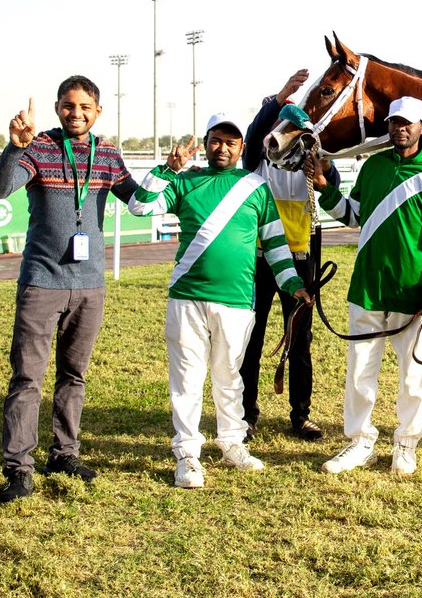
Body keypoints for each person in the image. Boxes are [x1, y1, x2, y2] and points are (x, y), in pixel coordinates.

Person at [126, 113, 312, 489]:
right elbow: (139, 207)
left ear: (241, 148)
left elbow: (275, 243)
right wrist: (165, 169)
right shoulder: (184, 181)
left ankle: (232, 442)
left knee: (230, 378)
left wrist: (292, 283)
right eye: (216, 140)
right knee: (187, 380)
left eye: (231, 142)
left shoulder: (256, 186)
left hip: (238, 300)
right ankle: (188, 455)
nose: (222, 147)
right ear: (206, 141)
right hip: (187, 297)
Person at [0, 75, 136, 504]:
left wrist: (171, 171)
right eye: (69, 106)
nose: (77, 114)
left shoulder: (107, 154)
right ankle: (19, 469)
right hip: (41, 282)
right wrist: (15, 145)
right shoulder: (39, 147)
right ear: (58, 108)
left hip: (90, 285)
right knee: (27, 378)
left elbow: (139, 199)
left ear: (98, 111)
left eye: (85, 107)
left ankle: (64, 453)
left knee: (74, 376)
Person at [306, 96, 422, 476]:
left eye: (407, 123)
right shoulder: (372, 167)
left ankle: (405, 445)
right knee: (359, 372)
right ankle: (359, 443)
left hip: (414, 291)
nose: (399, 129)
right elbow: (354, 215)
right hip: (368, 287)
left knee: (414, 376)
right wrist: (326, 188)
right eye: (393, 123)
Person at [239, 69, 339, 442]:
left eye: (293, 130)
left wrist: (324, 172)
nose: (284, 136)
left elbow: (332, 182)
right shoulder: (257, 159)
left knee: (300, 341)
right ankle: (246, 414)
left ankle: (300, 416)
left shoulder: (311, 164)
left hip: (300, 262)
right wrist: (280, 99)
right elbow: (253, 135)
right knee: (253, 336)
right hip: (259, 260)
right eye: (281, 128)